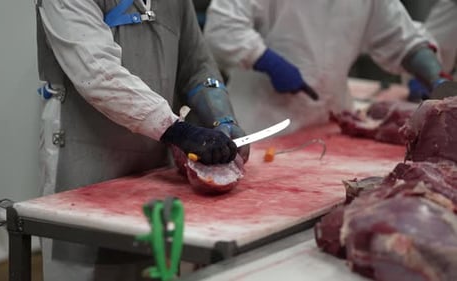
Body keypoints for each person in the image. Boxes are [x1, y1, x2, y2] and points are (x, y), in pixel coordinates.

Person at [35, 0, 249, 280]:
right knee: (86, 266)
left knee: (150, 264)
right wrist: (179, 131)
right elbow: (97, 74)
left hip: (151, 168)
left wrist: (222, 119)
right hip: (84, 158)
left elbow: (197, 66)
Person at [203, 0, 449, 133]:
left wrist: (432, 74)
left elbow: (401, 37)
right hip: (265, 127)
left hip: (333, 123)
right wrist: (265, 60)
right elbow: (222, 28)